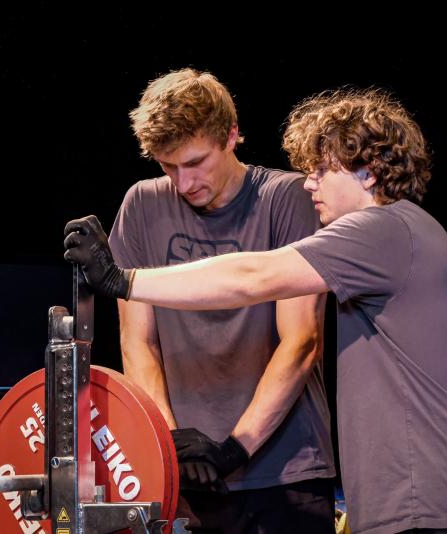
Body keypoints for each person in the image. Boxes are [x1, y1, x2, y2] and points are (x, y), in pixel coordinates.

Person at [65, 88, 447, 533]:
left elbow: (253, 276)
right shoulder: (412, 238)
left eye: (322, 170)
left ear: (369, 171)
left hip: (428, 511)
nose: (309, 184)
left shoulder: (378, 232)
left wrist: (122, 280)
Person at [95, 68, 337, 533]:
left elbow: (302, 341)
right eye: (168, 167)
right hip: (186, 478)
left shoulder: (287, 198)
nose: (183, 183)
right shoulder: (141, 205)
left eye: (195, 163)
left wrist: (234, 449)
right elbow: (138, 342)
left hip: (286, 472)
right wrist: (172, 444)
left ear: (230, 135)